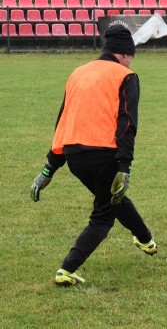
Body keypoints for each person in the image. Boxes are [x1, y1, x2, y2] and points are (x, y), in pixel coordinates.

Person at [29, 24, 156, 287]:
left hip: (75, 156)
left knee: (113, 198)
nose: (132, 60)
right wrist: (124, 166)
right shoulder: (127, 76)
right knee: (103, 216)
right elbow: (127, 124)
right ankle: (67, 268)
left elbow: (62, 120)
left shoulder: (78, 73)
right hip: (105, 156)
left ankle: (146, 239)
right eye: (131, 55)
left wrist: (49, 168)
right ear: (123, 53)